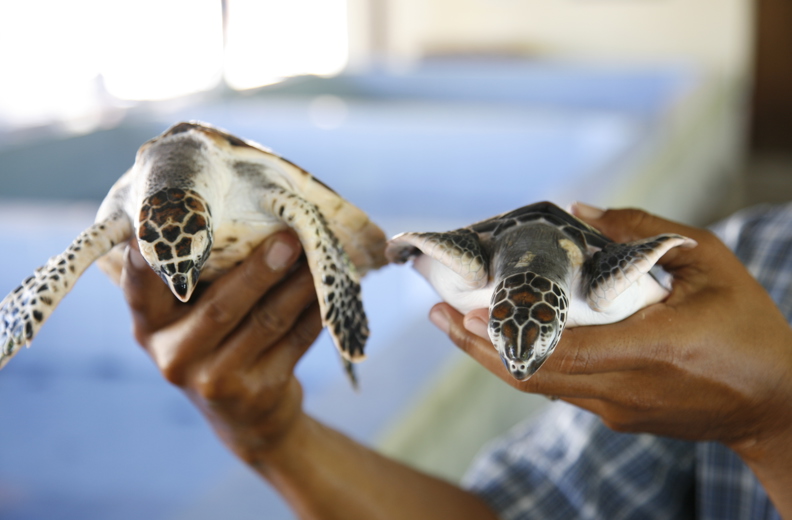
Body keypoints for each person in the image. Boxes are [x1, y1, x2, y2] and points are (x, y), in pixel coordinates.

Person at [120, 202, 792, 519]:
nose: (521, 355)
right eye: (511, 322)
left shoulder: (702, 284)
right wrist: (267, 433)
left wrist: (775, 424)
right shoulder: (749, 258)